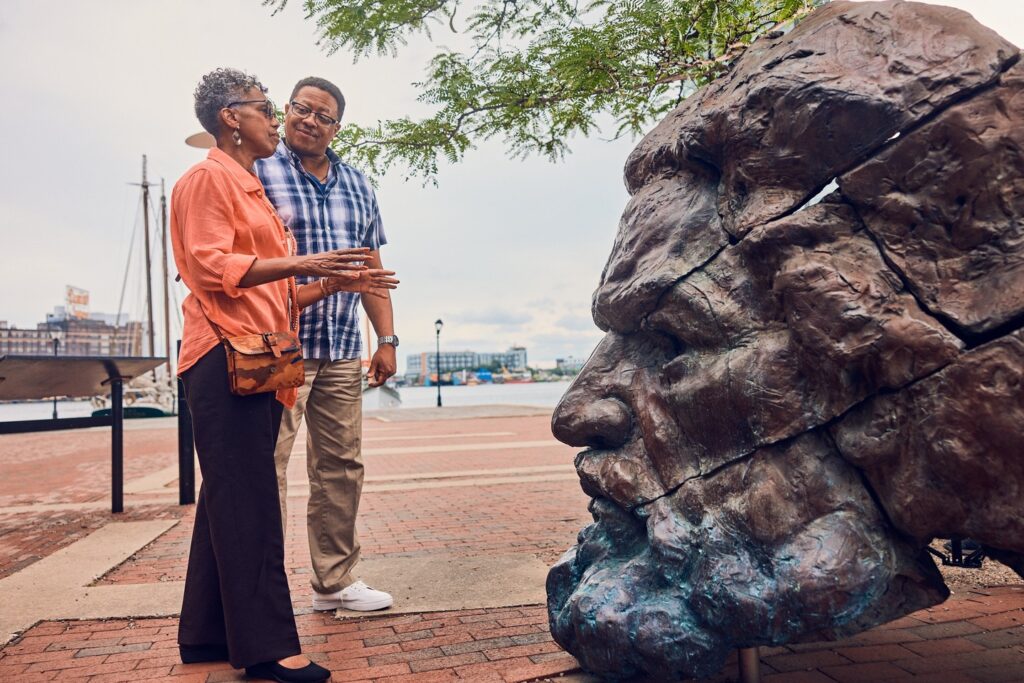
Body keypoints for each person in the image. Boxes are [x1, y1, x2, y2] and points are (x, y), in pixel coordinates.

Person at [171, 68, 394, 683]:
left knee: (230, 498)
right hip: (226, 355)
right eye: (269, 109)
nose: (279, 120)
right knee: (251, 502)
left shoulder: (242, 183)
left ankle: (206, 633)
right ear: (230, 118)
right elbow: (213, 268)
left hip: (262, 352)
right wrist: (305, 260)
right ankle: (268, 650)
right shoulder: (208, 178)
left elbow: (274, 297)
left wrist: (333, 283)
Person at [256, 76, 397, 612]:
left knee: (341, 467)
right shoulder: (258, 171)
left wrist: (386, 339)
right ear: (286, 111)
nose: (309, 121)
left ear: (338, 127)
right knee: (266, 465)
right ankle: (262, 588)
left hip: (340, 349)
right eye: (301, 109)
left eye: (323, 115)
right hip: (276, 347)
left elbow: (372, 271)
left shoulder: (359, 185)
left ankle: (334, 584)